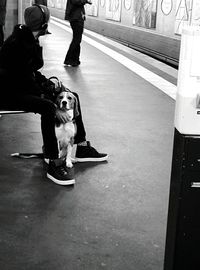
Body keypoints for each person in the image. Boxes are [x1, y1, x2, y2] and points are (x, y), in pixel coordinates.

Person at [0, 5, 108, 186]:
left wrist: (50, 84)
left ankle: (80, 147)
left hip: (21, 86)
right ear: (43, 24)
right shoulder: (18, 45)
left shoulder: (27, 38)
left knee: (71, 94)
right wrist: (48, 95)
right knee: (48, 107)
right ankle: (53, 160)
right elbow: (23, 81)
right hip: (9, 93)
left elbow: (30, 73)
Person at [64, 0, 92, 67]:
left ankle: (75, 59)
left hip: (76, 17)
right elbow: (77, 1)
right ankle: (69, 59)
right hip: (76, 18)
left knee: (77, 40)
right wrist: (86, 1)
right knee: (76, 39)